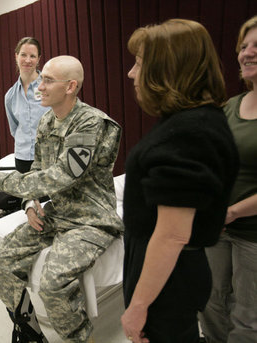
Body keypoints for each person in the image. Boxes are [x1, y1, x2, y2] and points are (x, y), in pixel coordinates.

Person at [0, 55, 123, 343]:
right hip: (57, 214)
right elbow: (38, 172)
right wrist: (29, 203)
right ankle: (27, 325)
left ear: (70, 87)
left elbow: (60, 176)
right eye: (41, 80)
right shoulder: (46, 122)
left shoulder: (91, 123)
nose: (38, 86)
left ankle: (80, 339)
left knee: (54, 281)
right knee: (5, 258)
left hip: (90, 219)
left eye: (47, 80)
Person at [121, 19, 239, 343]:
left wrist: (139, 306)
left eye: (140, 64)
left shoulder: (189, 131)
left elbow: (172, 235)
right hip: (169, 271)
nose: (131, 73)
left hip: (169, 277)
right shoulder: (191, 121)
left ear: (167, 70)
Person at [199, 15, 257, 343]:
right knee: (208, 302)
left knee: (248, 317)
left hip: (252, 234)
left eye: (256, 46)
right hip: (219, 227)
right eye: (243, 46)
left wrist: (232, 212)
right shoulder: (230, 107)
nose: (246, 53)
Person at [5, 37, 48, 173]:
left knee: (47, 195)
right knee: (27, 195)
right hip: (22, 158)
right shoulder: (10, 96)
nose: (27, 60)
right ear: (16, 56)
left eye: (32, 56)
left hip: (48, 156)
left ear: (38, 59)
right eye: (23, 55)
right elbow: (15, 129)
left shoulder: (49, 87)